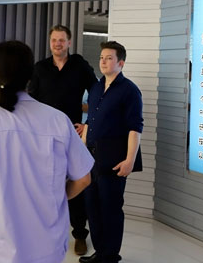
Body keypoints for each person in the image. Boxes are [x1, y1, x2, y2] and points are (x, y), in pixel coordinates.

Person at [0, 40, 94, 263]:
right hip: (48, 247)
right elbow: (83, 178)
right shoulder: (58, 120)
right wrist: (55, 198)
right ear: (30, 76)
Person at [28, 24, 97, 255]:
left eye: (61, 40)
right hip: (44, 136)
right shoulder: (40, 68)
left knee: (77, 181)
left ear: (69, 42)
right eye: (54, 40)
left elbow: (97, 94)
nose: (57, 44)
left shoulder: (80, 65)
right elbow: (31, 100)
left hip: (71, 135)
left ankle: (79, 234)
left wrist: (88, 123)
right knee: (45, 183)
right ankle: (44, 231)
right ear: (50, 43)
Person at [80, 41, 143, 263]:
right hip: (91, 159)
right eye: (101, 58)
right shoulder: (96, 87)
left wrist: (130, 160)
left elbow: (135, 128)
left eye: (109, 58)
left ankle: (110, 255)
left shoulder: (130, 91)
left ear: (121, 63)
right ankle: (100, 252)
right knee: (92, 207)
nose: (103, 62)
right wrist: (81, 151)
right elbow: (90, 122)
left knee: (111, 208)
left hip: (114, 160)